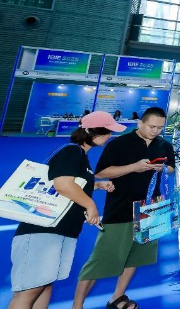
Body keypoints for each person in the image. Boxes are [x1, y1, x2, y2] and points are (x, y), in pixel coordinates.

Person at [9, 112, 120, 309]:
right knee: (28, 291)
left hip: (60, 230)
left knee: (44, 285)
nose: (109, 136)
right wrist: (91, 205)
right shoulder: (71, 151)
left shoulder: (81, 156)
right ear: (93, 132)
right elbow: (62, 185)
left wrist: (96, 185)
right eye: (107, 132)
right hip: (42, 230)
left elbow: (72, 184)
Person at [73, 107, 174, 309]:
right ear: (140, 123)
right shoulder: (119, 143)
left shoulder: (164, 145)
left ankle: (117, 297)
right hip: (120, 208)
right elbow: (101, 173)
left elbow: (171, 168)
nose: (155, 131)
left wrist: (163, 168)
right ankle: (77, 305)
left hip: (151, 209)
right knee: (101, 258)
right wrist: (134, 167)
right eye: (152, 127)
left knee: (136, 256)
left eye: (160, 128)